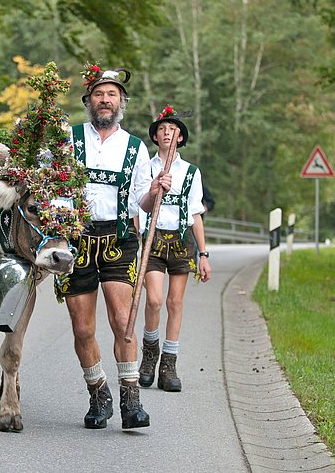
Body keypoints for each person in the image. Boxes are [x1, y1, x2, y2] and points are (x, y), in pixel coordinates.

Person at [56, 64, 162, 430]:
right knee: (83, 329)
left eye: (111, 94)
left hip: (119, 240)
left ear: (122, 102)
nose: (105, 100)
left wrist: (154, 191)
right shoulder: (69, 140)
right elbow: (50, 185)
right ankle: (98, 394)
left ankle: (131, 399)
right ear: (89, 101)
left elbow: (142, 204)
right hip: (76, 241)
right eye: (99, 94)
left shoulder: (135, 147)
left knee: (123, 322)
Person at [138, 105, 211, 392]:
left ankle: (169, 364)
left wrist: (203, 255)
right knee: (155, 300)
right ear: (155, 137)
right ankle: (149, 353)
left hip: (181, 241)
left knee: (175, 303)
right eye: (162, 130)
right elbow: (138, 205)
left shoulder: (191, 172)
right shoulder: (147, 168)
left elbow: (195, 215)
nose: (167, 133)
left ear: (181, 138)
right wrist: (155, 188)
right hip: (152, 239)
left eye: (173, 130)